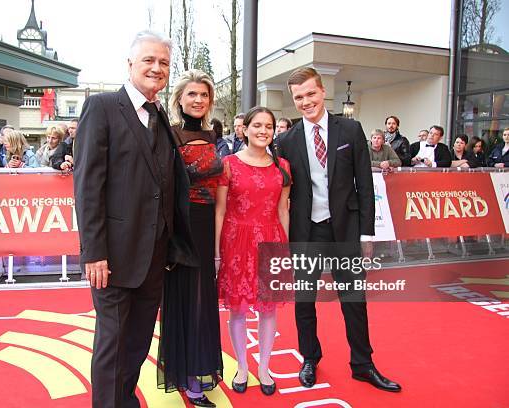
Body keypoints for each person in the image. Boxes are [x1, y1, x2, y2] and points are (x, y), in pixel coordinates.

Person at [73, 30, 196, 408]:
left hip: (155, 257)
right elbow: (88, 185)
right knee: (112, 343)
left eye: (163, 63)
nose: (157, 68)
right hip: (112, 256)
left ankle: (124, 401)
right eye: (149, 60)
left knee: (139, 341)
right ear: (130, 65)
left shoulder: (160, 114)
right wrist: (94, 253)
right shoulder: (103, 107)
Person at [277, 67, 401, 392]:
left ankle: (363, 364)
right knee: (305, 301)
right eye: (299, 97)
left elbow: (365, 183)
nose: (306, 102)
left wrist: (367, 234)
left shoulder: (349, 129)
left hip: (345, 230)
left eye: (310, 94)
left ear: (322, 92)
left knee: (354, 300)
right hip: (307, 233)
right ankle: (309, 358)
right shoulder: (285, 141)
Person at [157, 69, 223, 407]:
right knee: (183, 299)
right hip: (180, 226)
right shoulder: (169, 134)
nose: (198, 100)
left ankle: (196, 369)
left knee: (202, 301)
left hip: (208, 223)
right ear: (179, 98)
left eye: (204, 95)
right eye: (192, 95)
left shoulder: (215, 136)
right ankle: (187, 376)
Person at [216, 106, 291, 397]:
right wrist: (216, 252)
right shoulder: (229, 163)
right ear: (244, 129)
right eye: (257, 125)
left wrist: (287, 248)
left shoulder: (282, 165)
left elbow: (283, 209)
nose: (263, 131)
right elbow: (220, 210)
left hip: (271, 240)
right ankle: (243, 367)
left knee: (268, 308)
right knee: (238, 308)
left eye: (268, 126)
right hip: (236, 241)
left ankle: (264, 368)